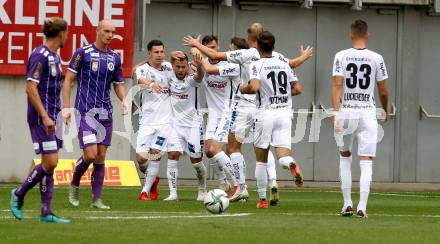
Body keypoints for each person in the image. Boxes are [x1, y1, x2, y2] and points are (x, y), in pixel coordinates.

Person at [184, 23, 311, 204]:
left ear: (254, 41)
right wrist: (304, 56)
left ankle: (242, 188)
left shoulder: (247, 57)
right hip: (277, 111)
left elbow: (214, 59)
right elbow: (294, 66)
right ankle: (274, 179)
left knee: (236, 149)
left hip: (245, 106)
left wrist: (197, 46)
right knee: (274, 152)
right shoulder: (280, 58)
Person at [10, 17, 70, 223]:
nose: (67, 37)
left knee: (49, 163)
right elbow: (30, 87)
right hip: (41, 118)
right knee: (51, 162)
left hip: (53, 117)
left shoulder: (54, 56)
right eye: (66, 34)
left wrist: (59, 113)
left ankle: (46, 211)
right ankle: (18, 193)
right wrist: (44, 116)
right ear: (62, 34)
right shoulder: (40, 55)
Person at [63, 20, 127, 209]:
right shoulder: (82, 53)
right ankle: (74, 183)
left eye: (113, 32)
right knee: (90, 155)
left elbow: (118, 83)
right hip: (85, 112)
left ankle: (96, 199)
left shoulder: (114, 58)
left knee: (100, 156)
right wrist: (66, 107)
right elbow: (68, 80)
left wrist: (123, 99)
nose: (110, 35)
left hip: (105, 113)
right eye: (106, 31)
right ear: (98, 31)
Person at [332, 19, 389, 218]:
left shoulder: (341, 56)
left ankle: (347, 203)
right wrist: (385, 109)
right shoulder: (377, 58)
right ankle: (361, 207)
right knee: (366, 160)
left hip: (346, 110)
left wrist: (336, 112)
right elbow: (382, 89)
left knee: (345, 156)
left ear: (351, 34)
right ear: (367, 34)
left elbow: (337, 85)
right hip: (367, 112)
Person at [240, 31, 303, 208]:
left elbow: (254, 87)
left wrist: (243, 89)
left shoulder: (256, 64)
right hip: (284, 113)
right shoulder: (284, 64)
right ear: (274, 47)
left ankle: (262, 200)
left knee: (261, 159)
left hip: (265, 113)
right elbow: (298, 89)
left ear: (257, 47)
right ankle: (290, 164)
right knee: (283, 155)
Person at [135, 40, 174, 201]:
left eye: (162, 52)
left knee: (155, 155)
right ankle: (153, 179)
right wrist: (151, 84)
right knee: (142, 158)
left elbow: (181, 71)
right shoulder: (143, 69)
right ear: (149, 54)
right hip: (147, 121)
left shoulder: (168, 68)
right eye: (156, 52)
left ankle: (145, 191)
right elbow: (140, 79)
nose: (159, 55)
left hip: (165, 122)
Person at [165, 51, 206, 201]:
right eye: (178, 67)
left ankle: (202, 190)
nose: (181, 70)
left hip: (194, 125)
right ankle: (173, 193)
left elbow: (199, 76)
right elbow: (146, 66)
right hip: (176, 125)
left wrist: (200, 66)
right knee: (172, 155)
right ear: (173, 66)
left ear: (187, 66)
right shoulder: (168, 74)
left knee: (196, 162)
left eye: (183, 67)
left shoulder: (191, 79)